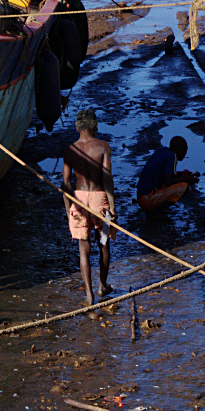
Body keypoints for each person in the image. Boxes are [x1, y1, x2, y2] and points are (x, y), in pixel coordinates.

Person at [61, 109, 116, 305]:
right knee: (103, 243)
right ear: (95, 126)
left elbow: (66, 183)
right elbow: (107, 178)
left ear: (77, 127)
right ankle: (102, 285)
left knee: (83, 248)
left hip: (79, 199)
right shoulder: (103, 146)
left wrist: (69, 208)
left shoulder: (70, 150)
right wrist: (112, 207)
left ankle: (89, 296)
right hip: (100, 200)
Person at [136, 136, 199, 211]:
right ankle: (155, 211)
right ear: (179, 149)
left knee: (178, 181)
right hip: (146, 199)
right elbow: (168, 181)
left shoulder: (163, 151)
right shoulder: (172, 156)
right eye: (184, 150)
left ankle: (154, 208)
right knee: (184, 186)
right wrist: (187, 180)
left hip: (141, 196)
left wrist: (182, 174)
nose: (185, 153)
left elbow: (166, 175)